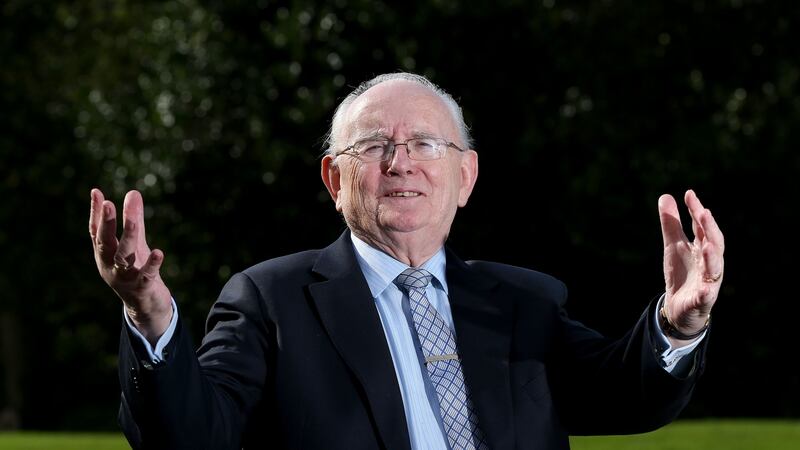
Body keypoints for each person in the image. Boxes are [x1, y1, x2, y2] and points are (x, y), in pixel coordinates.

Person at [88, 73, 725, 450]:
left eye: (424, 143)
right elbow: (190, 435)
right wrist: (149, 317)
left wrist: (677, 325)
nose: (401, 162)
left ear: (465, 176)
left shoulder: (525, 302)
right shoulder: (271, 300)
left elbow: (626, 399)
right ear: (334, 181)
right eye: (373, 146)